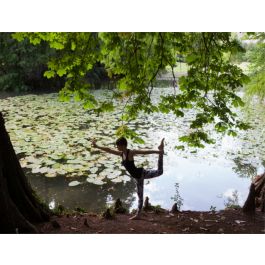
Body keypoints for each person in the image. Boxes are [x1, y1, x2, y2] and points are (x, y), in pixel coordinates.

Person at [91, 137, 164, 220]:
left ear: (123, 146)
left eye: (118, 146)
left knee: (160, 172)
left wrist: (158, 152)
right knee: (140, 196)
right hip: (137, 178)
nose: (117, 148)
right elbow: (109, 150)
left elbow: (144, 151)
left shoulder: (131, 152)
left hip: (142, 174)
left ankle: (161, 151)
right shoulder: (121, 154)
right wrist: (97, 146)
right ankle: (138, 215)